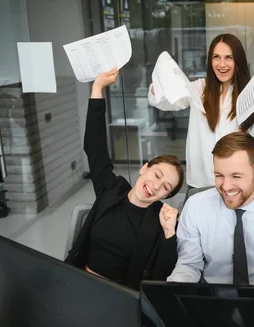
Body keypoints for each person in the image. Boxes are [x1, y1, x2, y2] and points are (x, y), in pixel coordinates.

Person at [65, 68, 185, 290]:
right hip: (77, 281)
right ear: (144, 168)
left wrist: (170, 235)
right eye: (157, 175)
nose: (156, 185)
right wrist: (97, 88)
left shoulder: (160, 221)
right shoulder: (111, 189)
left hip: (119, 297)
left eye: (165, 187)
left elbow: (160, 278)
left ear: (167, 195)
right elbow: (95, 147)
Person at [148, 33, 254, 189]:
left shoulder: (249, 90)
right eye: (216, 57)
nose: (222, 64)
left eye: (228, 57)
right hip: (202, 179)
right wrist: (161, 78)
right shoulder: (199, 88)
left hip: (241, 178)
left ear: (238, 61)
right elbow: (162, 101)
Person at [168, 132, 254, 286]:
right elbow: (189, 265)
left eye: (236, 176)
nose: (226, 186)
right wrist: (175, 293)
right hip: (212, 298)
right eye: (219, 175)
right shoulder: (195, 207)